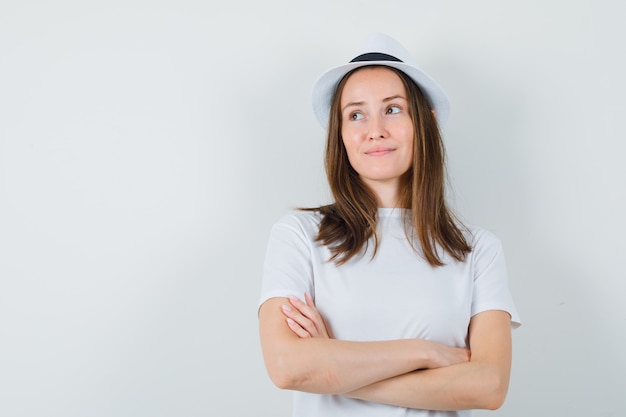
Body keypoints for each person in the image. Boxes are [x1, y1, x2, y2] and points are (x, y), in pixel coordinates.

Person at [258, 33, 521, 417]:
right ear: (342, 134)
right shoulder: (299, 236)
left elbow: (489, 387)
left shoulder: (477, 249)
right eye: (356, 114)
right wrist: (426, 353)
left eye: (393, 109)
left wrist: (331, 366)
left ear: (425, 122)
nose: (375, 129)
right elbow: (287, 367)